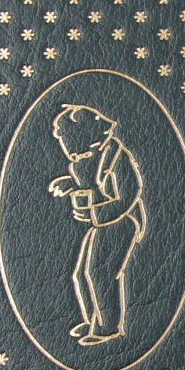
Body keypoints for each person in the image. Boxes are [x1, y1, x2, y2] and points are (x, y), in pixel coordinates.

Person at [47, 104, 147, 345]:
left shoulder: (116, 156)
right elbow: (89, 183)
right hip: (102, 223)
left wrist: (96, 213)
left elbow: (129, 195)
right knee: (81, 274)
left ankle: (107, 328)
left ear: (85, 135)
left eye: (67, 140)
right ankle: (93, 319)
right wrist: (69, 183)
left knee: (101, 274)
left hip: (122, 222)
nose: (67, 148)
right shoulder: (88, 158)